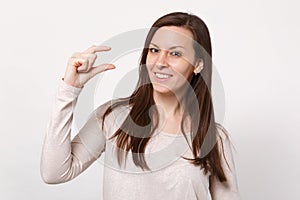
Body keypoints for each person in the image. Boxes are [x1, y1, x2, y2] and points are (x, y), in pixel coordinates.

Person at [40, 12, 241, 200]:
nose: (160, 62)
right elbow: (54, 173)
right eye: (154, 50)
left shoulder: (213, 138)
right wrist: (69, 88)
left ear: (198, 64)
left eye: (175, 54)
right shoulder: (113, 118)